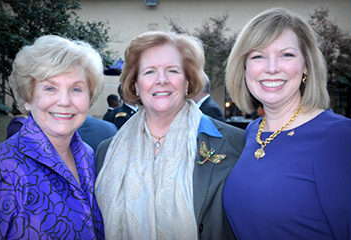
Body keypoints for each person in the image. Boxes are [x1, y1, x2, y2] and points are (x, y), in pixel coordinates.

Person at [95, 31, 245, 240]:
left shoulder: (234, 143)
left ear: (187, 82)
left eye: (172, 71)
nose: (161, 80)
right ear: (136, 85)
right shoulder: (106, 152)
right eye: (149, 72)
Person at [222, 8, 351, 240]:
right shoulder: (254, 131)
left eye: (286, 55)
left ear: (306, 66)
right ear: (244, 68)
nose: (272, 67)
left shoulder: (338, 137)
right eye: (258, 56)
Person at [0, 35, 105, 238]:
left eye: (76, 89)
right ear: (29, 97)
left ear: (89, 98)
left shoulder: (88, 155)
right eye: (50, 88)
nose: (64, 101)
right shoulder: (2, 166)